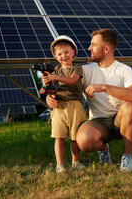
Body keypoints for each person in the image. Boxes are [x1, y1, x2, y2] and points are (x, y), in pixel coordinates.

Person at [46, 29, 132, 173]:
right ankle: (103, 149)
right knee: (83, 141)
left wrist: (104, 87)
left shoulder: (124, 70)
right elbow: (65, 85)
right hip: (99, 122)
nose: (89, 48)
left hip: (120, 121)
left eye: (93, 45)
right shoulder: (84, 71)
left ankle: (127, 156)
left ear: (106, 49)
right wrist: (49, 97)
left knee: (131, 107)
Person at [42, 35, 87, 173]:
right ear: (56, 57)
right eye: (60, 54)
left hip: (75, 106)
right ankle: (59, 164)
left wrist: (55, 77)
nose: (64, 56)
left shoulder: (77, 68)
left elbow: (72, 80)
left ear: (73, 52)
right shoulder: (54, 72)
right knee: (59, 136)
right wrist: (47, 88)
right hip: (59, 107)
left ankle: (75, 162)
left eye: (66, 52)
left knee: (74, 137)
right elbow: (47, 89)